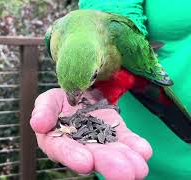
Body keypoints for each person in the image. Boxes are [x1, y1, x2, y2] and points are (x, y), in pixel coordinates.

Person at [30, 0, 191, 179]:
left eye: (91, 77)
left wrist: (132, 46)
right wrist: (81, 93)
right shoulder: (53, 36)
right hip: (126, 157)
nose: (73, 99)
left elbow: (122, 33)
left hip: (139, 73)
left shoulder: (116, 36)